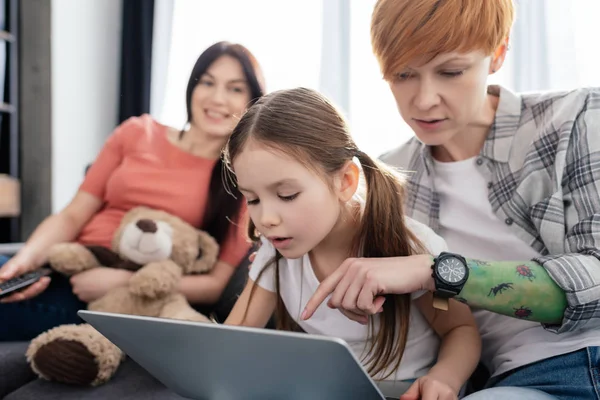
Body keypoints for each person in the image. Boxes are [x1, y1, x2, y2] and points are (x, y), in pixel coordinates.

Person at [302, 1, 600, 399]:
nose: (424, 100)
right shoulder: (388, 179)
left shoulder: (575, 119)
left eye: (451, 72)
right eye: (403, 74)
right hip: (503, 381)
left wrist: (436, 271)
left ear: (497, 53)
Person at [220, 87, 481, 400]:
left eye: (287, 195)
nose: (266, 219)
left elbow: (461, 331)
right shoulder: (274, 249)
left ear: (345, 181)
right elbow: (231, 342)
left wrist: (444, 379)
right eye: (253, 199)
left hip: (407, 391)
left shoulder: (410, 247)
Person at [0, 41, 265, 341]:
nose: (217, 98)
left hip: (115, 300)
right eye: (208, 82)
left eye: (235, 89)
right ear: (192, 86)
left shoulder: (241, 180)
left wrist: (120, 281)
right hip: (64, 264)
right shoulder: (137, 132)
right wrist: (27, 259)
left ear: (251, 101)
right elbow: (73, 215)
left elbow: (216, 284)